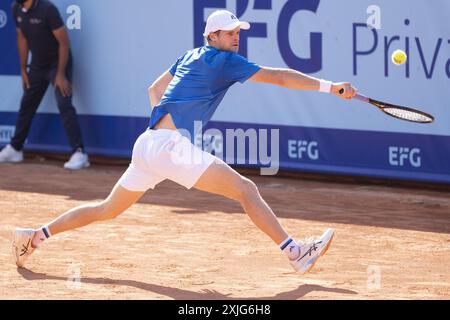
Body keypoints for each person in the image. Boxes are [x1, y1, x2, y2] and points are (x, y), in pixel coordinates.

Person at [12, 10, 357, 274]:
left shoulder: (189, 55)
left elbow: (154, 90)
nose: (237, 36)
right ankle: (295, 254)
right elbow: (278, 77)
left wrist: (166, 131)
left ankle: (35, 235)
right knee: (246, 189)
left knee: (106, 209)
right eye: (231, 32)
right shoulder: (224, 60)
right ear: (214, 35)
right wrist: (330, 87)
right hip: (166, 147)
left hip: (147, 143)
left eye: (239, 32)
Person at [0, 0, 89, 170]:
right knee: (27, 104)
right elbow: (22, 38)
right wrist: (23, 69)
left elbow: (64, 42)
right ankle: (15, 149)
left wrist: (61, 74)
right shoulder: (16, 8)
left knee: (64, 104)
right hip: (37, 66)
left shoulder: (47, 9)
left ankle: (79, 153)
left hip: (58, 64)